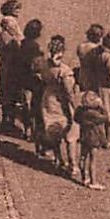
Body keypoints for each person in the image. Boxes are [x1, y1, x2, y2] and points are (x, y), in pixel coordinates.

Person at [39, 36, 78, 174]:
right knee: (71, 134)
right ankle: (73, 164)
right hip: (62, 103)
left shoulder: (44, 65)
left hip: (48, 100)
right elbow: (69, 92)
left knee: (53, 130)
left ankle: (59, 159)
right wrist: (75, 106)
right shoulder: (65, 71)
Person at [0, 0, 26, 135]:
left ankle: (7, 121)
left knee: (7, 95)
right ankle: (8, 123)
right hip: (12, 68)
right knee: (11, 95)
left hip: (5, 67)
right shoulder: (11, 39)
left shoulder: (1, 36)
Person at [18, 19, 47, 145]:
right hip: (33, 80)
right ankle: (35, 132)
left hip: (23, 78)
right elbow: (38, 64)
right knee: (36, 106)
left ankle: (27, 130)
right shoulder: (35, 47)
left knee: (26, 104)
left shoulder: (23, 43)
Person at [74, 91, 109, 190]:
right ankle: (93, 181)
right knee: (93, 159)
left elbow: (76, 119)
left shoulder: (80, 112)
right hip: (94, 137)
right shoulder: (94, 114)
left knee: (83, 157)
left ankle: (84, 177)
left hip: (84, 135)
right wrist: (102, 107)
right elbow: (105, 118)